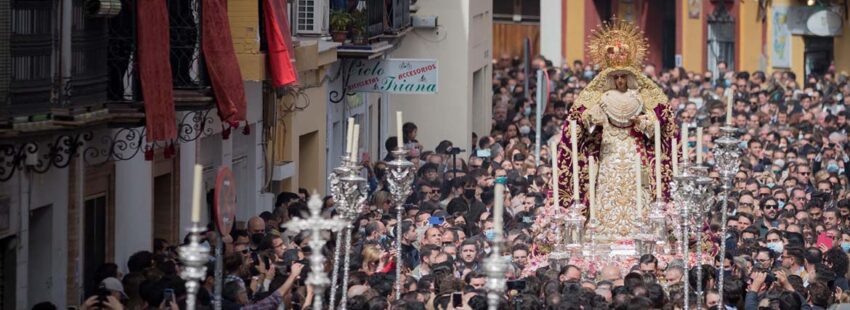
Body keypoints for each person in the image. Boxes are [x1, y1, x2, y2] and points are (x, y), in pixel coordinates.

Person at [558, 19, 675, 240]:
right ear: (611, 78)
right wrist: (594, 119)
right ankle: (603, 231)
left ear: (630, 77)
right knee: (607, 186)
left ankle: (640, 229)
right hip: (609, 150)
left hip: (634, 149)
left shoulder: (639, 96)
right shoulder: (602, 97)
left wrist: (645, 122)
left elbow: (658, 121)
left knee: (637, 189)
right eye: (616, 77)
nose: (620, 80)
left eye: (624, 76)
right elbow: (584, 120)